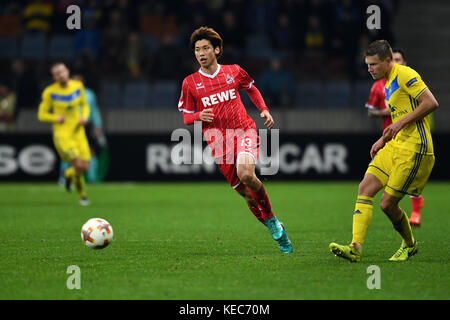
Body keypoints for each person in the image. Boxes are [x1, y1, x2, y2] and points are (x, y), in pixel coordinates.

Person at [178, 27, 292, 253]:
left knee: (246, 173)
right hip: (218, 143)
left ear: (217, 50)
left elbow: (251, 88)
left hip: (244, 131)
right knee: (248, 196)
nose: (201, 53)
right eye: (197, 50)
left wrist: (264, 109)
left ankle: (270, 219)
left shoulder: (233, 71)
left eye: (205, 48)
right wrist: (198, 116)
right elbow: (186, 116)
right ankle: (274, 224)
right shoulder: (190, 83)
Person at [330, 40, 438, 262]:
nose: (369, 68)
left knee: (387, 204)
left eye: (374, 64)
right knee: (365, 187)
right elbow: (398, 116)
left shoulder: (405, 74)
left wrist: (397, 126)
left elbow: (431, 102)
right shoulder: (387, 82)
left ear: (388, 61)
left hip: (415, 148)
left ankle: (409, 245)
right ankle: (355, 248)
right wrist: (383, 138)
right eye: (367, 64)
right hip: (395, 144)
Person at [365, 48, 426, 227]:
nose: (397, 63)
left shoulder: (408, 79)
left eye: (399, 60)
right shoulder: (379, 86)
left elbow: (427, 103)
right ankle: (357, 242)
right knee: (371, 186)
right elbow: (370, 112)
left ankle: (415, 213)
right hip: (390, 137)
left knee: (405, 182)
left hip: (410, 137)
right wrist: (386, 114)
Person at [38, 62, 91, 206]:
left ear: (67, 71)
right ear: (54, 77)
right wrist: (56, 118)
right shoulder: (49, 92)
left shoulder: (78, 86)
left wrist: (84, 117)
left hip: (79, 132)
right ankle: (83, 196)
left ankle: (67, 174)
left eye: (63, 71)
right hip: (63, 135)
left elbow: (85, 105)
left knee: (86, 166)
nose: (61, 75)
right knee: (78, 164)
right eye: (57, 73)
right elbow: (41, 114)